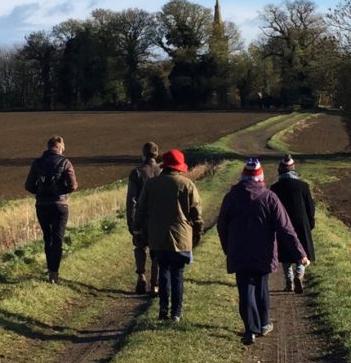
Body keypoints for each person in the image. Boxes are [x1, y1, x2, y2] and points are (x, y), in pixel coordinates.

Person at [217, 157, 308, 345]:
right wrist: (300, 254)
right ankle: (264, 323)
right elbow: (286, 228)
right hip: (263, 252)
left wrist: (228, 248)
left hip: (239, 252)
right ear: (260, 177)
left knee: (245, 290)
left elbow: (221, 225)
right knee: (261, 287)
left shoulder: (232, 196)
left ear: (243, 176)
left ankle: (250, 329)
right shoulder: (269, 197)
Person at [133, 149, 203, 322]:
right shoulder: (187, 185)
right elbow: (196, 213)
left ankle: (163, 309)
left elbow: (140, 209)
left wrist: (137, 229)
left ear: (165, 165)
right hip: (181, 238)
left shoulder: (151, 185)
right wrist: (197, 232)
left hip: (157, 236)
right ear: (179, 167)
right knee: (177, 273)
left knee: (163, 270)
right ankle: (176, 313)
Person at [24, 135, 78, 283]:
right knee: (58, 238)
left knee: (48, 237)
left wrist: (41, 193)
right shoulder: (65, 162)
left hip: (42, 205)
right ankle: (54, 272)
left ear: (48, 147)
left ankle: (49, 269)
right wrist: (61, 192)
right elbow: (73, 185)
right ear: (60, 147)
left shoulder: (37, 163)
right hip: (60, 205)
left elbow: (28, 185)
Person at [270, 154, 316, 293]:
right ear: (293, 168)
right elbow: (310, 207)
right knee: (302, 250)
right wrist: (310, 223)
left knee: (285, 252)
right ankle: (299, 274)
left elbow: (272, 209)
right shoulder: (303, 186)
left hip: (283, 224)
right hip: (301, 223)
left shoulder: (275, 188)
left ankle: (289, 281)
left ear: (280, 170)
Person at [126, 141, 161, 295]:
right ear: (156, 154)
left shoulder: (137, 172)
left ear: (143, 154)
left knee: (140, 247)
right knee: (156, 251)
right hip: (158, 219)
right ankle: (155, 284)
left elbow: (131, 199)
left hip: (141, 218)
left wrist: (131, 222)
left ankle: (141, 276)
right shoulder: (162, 171)